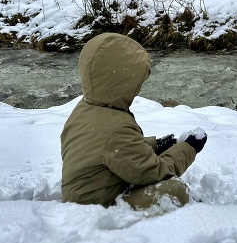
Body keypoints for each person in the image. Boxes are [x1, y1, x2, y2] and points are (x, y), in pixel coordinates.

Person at [61, 32, 207, 209]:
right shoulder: (116, 126)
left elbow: (108, 146)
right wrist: (189, 148)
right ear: (124, 82)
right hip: (96, 204)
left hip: (85, 191)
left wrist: (156, 145)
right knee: (176, 190)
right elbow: (155, 172)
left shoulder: (87, 108)